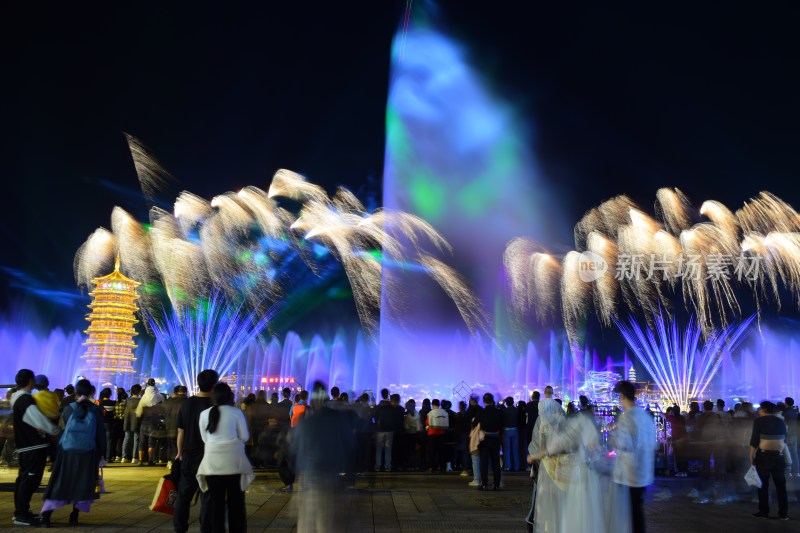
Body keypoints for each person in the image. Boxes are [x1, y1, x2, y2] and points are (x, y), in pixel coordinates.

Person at [40, 378, 106, 528]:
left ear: (75, 392)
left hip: (67, 451)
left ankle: (46, 516)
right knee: (81, 483)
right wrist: (102, 454)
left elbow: (63, 430)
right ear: (91, 392)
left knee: (60, 482)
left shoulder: (68, 408)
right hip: (88, 452)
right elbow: (100, 434)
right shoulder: (95, 409)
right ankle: (74, 517)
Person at [196, 382, 254, 533]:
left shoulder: (204, 414)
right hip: (234, 463)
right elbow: (245, 437)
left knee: (215, 505)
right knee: (236, 504)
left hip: (212, 464)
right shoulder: (236, 412)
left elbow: (205, 440)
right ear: (230, 396)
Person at [11, 369, 61, 526]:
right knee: (30, 480)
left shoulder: (17, 398)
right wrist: (55, 431)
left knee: (24, 479)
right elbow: (38, 419)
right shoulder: (25, 400)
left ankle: (21, 512)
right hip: (33, 445)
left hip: (25, 445)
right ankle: (21, 514)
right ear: (30, 381)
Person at [173, 369, 218, 533]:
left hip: (189, 454)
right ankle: (206, 528)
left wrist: (179, 452)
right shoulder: (216, 406)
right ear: (215, 384)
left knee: (184, 494)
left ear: (198, 383)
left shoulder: (187, 403)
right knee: (207, 495)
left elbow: (181, 431)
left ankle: (179, 527)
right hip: (210, 455)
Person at [610, 381, 657, 533]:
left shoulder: (627, 417)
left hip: (630, 473)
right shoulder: (645, 416)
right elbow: (653, 444)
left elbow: (624, 444)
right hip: (644, 471)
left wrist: (612, 438)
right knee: (636, 511)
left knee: (630, 513)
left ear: (622, 396)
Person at [750, 400, 789, 520]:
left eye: (760, 408)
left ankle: (764, 511)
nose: (758, 411)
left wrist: (751, 456)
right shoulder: (780, 421)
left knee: (763, 485)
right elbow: (784, 438)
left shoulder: (759, 421)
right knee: (781, 486)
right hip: (779, 456)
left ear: (764, 409)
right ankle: (783, 513)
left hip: (764, 456)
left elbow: (754, 440)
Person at [475, 393, 502, 490]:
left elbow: (474, 423)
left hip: (484, 440)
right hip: (495, 439)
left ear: (484, 401)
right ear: (492, 400)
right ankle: (496, 484)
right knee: (496, 463)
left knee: (484, 462)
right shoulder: (498, 412)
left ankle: (484, 484)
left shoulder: (481, 412)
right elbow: (501, 425)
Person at [426, 399, 449, 472]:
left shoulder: (430, 413)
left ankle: (432, 467)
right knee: (441, 452)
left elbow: (427, 423)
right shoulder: (444, 412)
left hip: (432, 435)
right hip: (441, 435)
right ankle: (442, 467)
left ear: (432, 405)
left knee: (432, 452)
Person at [121, 384, 142, 463]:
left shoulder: (127, 400)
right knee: (136, 439)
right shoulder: (140, 400)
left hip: (127, 421)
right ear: (139, 391)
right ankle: (134, 457)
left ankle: (124, 457)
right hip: (136, 421)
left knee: (127, 438)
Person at [501, 397, 520, 472]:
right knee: (515, 449)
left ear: (506, 403)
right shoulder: (516, 410)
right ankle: (516, 466)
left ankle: (507, 466)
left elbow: (499, 405)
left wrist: (503, 401)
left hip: (506, 430)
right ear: (513, 402)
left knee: (507, 450)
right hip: (515, 430)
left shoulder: (504, 410)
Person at [783, 397, 798, 477]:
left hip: (788, 435)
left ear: (786, 403)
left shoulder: (785, 413)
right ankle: (796, 471)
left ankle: (788, 471)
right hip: (795, 434)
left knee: (787, 453)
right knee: (795, 453)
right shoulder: (796, 411)